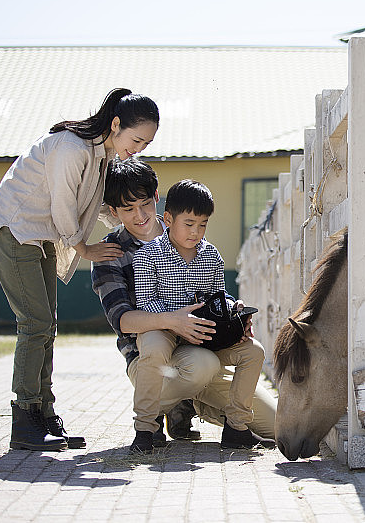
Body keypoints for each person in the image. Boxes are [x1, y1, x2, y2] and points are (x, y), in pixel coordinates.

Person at [0, 88, 159, 451]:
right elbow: (65, 207)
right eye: (136, 139)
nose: (139, 148)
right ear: (115, 124)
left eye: (147, 143)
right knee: (35, 323)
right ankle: (25, 420)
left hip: (40, 237)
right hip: (15, 231)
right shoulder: (72, 148)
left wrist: (145, 224)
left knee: (47, 325)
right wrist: (85, 248)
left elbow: (98, 206)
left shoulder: (101, 157)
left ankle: (44, 415)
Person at [95, 165, 276, 453]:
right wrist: (175, 322)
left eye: (145, 204)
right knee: (194, 362)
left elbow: (217, 295)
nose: (140, 215)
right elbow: (124, 319)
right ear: (114, 211)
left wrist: (233, 313)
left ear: (157, 199)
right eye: (129, 209)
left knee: (275, 424)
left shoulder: (208, 252)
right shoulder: (117, 252)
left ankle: (227, 421)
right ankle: (150, 422)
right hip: (158, 355)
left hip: (203, 343)